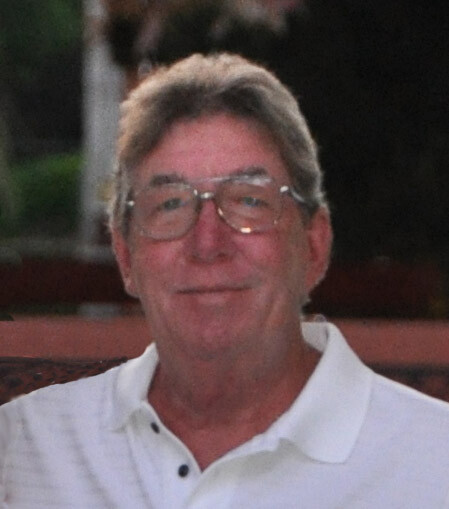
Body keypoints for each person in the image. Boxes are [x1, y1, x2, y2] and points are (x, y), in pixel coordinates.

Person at [1, 53, 449, 508]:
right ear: (126, 256)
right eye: (170, 204)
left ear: (314, 246)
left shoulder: (434, 462)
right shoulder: (25, 448)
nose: (208, 243)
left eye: (249, 201)